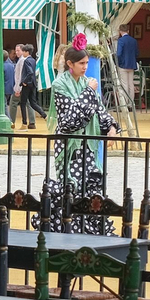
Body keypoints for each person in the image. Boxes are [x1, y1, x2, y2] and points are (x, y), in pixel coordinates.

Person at [45, 47, 121, 234]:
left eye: (87, 63)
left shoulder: (88, 83)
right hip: (69, 147)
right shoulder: (60, 85)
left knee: (91, 187)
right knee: (72, 188)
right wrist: (88, 92)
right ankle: (70, 231)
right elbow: (70, 120)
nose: (85, 67)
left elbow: (99, 110)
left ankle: (92, 232)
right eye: (81, 63)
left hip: (88, 147)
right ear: (70, 64)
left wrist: (111, 126)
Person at [15, 44, 42, 129]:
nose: (22, 53)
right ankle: (44, 115)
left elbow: (30, 72)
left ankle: (24, 123)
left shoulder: (26, 61)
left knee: (23, 103)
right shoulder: (33, 60)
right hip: (33, 84)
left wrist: (24, 82)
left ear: (27, 52)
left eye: (23, 51)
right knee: (33, 103)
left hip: (27, 84)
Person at [114, 25, 139, 110]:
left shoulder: (121, 40)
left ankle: (124, 105)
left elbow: (119, 54)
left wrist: (120, 63)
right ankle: (131, 104)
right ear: (128, 31)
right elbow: (136, 53)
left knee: (124, 85)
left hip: (123, 65)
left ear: (120, 31)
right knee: (131, 85)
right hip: (131, 65)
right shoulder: (134, 40)